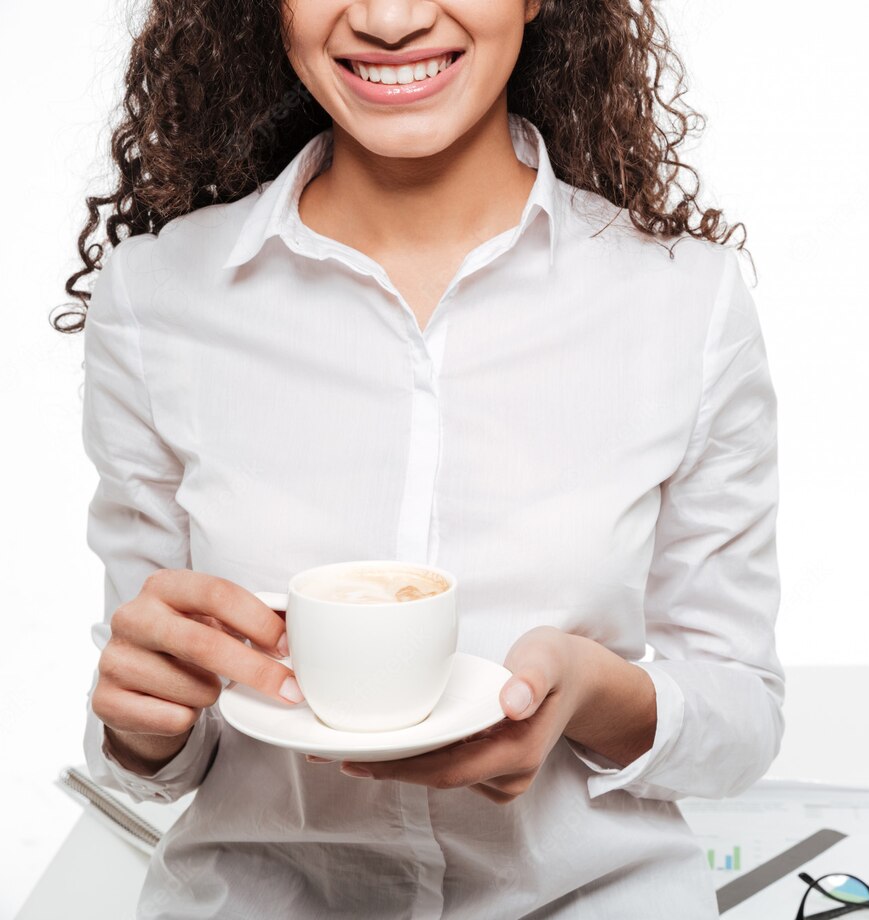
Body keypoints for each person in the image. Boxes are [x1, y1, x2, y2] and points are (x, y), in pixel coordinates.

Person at [53, 0, 783, 916]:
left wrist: (594, 693)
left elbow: (743, 716)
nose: (391, 19)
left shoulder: (684, 303)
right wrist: (136, 722)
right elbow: (156, 730)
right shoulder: (157, 300)